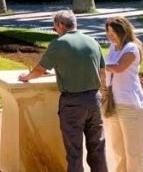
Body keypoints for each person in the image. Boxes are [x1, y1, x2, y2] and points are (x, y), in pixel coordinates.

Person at [19, 10, 107, 172]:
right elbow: (101, 71)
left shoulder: (59, 43)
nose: (55, 30)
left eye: (55, 27)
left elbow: (39, 70)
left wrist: (26, 77)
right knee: (97, 146)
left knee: (74, 150)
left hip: (73, 103)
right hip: (94, 99)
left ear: (60, 25)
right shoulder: (92, 41)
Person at [103, 16, 143, 172]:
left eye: (113, 31)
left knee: (134, 153)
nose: (110, 35)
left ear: (122, 30)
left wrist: (99, 63)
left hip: (130, 104)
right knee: (118, 151)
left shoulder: (132, 48)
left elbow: (118, 67)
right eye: (108, 31)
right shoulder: (112, 47)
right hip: (113, 103)